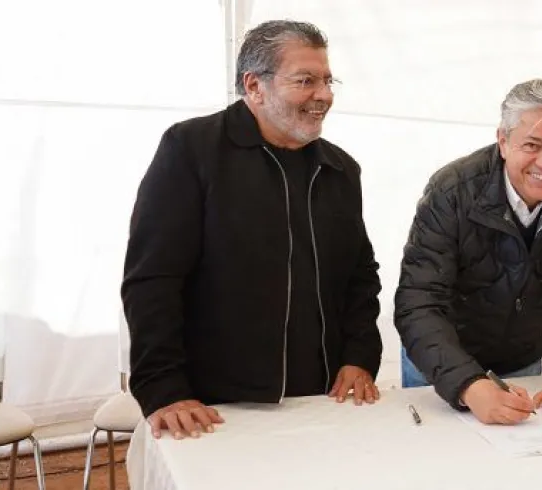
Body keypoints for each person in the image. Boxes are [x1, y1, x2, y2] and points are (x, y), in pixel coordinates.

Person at [122, 20, 383, 440]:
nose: (324, 95)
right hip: (214, 408)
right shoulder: (192, 149)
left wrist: (360, 356)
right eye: (305, 81)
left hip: (323, 400)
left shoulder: (339, 169)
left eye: (327, 80)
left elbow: (360, 276)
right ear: (254, 86)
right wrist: (164, 388)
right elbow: (154, 278)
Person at [394, 79, 542, 425]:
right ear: (503, 141)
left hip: (521, 363)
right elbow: (418, 300)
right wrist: (468, 385)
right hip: (440, 366)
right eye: (532, 145)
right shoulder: (452, 191)